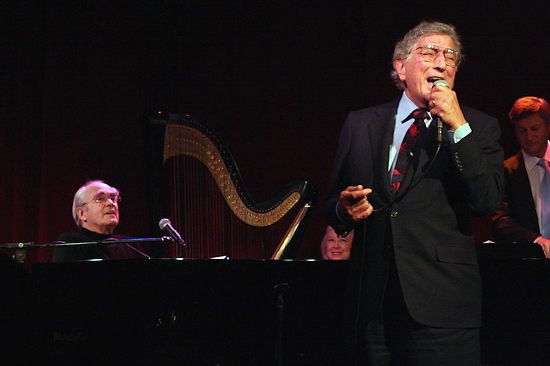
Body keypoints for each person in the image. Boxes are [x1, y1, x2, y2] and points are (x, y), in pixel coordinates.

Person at [323, 21, 504, 365]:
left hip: (442, 309)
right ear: (400, 67)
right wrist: (344, 212)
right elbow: (332, 201)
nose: (441, 63)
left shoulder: (477, 126)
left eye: (450, 56)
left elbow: (487, 200)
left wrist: (458, 127)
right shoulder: (361, 124)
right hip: (371, 307)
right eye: (430, 52)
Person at [491, 96, 550, 258]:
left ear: (548, 126)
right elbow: (500, 221)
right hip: (531, 262)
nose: (529, 137)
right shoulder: (506, 170)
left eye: (534, 128)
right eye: (522, 131)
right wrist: (536, 241)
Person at [51, 180, 145, 262]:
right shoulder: (71, 243)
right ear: (82, 213)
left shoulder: (129, 245)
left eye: (113, 199)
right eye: (100, 199)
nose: (110, 203)